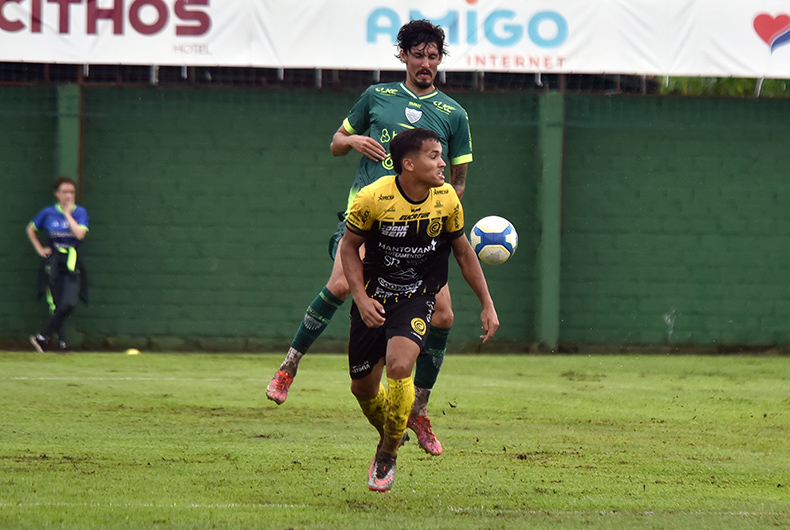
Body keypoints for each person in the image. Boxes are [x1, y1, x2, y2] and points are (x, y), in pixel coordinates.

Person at [266, 19, 473, 455]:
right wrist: (355, 140)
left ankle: (419, 410)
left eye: (433, 56)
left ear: (440, 60)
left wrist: (442, 212)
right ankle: (289, 366)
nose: (425, 63)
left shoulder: (454, 113)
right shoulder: (377, 96)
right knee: (342, 284)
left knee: (444, 316)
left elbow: (458, 181)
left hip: (419, 230)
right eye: (417, 55)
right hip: (368, 219)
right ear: (403, 56)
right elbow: (336, 142)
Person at [342, 128, 497, 491]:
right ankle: (393, 430)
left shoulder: (446, 199)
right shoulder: (372, 198)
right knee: (362, 388)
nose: (443, 163)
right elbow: (349, 248)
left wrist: (487, 304)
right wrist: (361, 299)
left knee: (399, 366)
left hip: (417, 296)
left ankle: (387, 453)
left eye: (442, 155)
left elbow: (463, 252)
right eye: (434, 156)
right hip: (374, 297)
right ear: (408, 164)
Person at [27, 177, 89, 353]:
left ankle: (42, 336)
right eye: (64, 192)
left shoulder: (80, 213)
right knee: (56, 303)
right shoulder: (48, 213)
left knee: (68, 303)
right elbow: (31, 229)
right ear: (57, 194)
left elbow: (80, 234)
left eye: (72, 192)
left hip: (71, 261)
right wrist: (40, 249)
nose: (68, 195)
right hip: (54, 261)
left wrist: (68, 215)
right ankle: (61, 344)